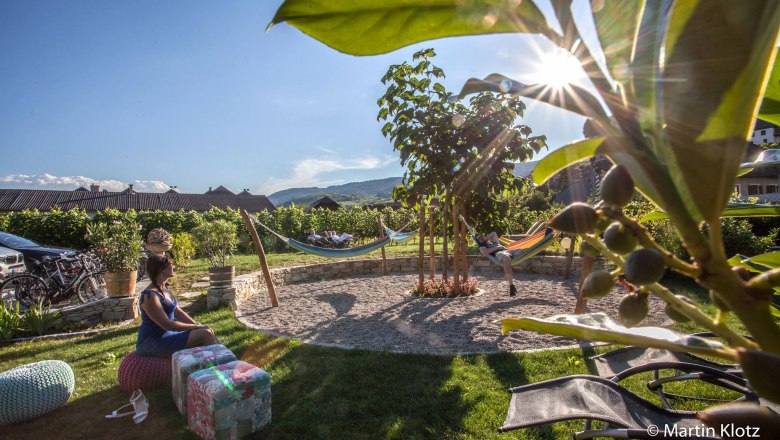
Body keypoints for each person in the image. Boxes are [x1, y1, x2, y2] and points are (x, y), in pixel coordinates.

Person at [136, 254, 217, 357]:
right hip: (151, 342)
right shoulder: (150, 295)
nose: (173, 267)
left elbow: (178, 312)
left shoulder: (164, 289)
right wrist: (195, 327)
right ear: (162, 269)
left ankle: (224, 358)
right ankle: (224, 361)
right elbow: (167, 325)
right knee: (205, 334)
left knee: (206, 331)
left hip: (167, 336)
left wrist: (197, 325)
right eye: (170, 265)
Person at [476, 232, 518, 297]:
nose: (481, 238)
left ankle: (507, 275)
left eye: (481, 236)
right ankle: (511, 286)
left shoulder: (495, 242)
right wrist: (497, 248)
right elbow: (485, 252)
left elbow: (494, 233)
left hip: (510, 250)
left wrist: (486, 239)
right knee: (506, 258)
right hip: (500, 253)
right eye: (479, 239)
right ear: (478, 242)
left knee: (526, 246)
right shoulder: (482, 247)